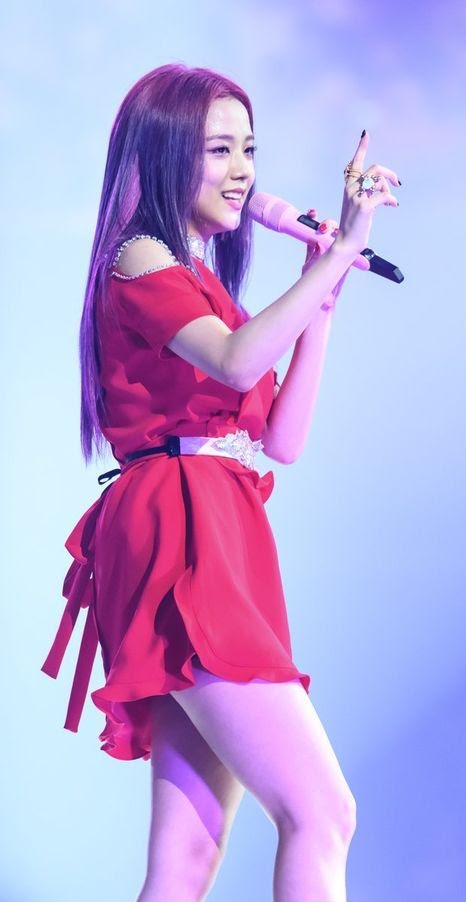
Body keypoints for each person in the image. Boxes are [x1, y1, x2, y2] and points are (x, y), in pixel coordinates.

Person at [41, 63, 400, 902]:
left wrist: (325, 290)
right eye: (219, 149)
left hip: (222, 528)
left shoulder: (207, 285)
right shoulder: (140, 256)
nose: (243, 170)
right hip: (181, 533)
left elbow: (285, 440)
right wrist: (337, 252)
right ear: (166, 153)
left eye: (249, 149)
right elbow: (237, 362)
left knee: (187, 860)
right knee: (322, 812)